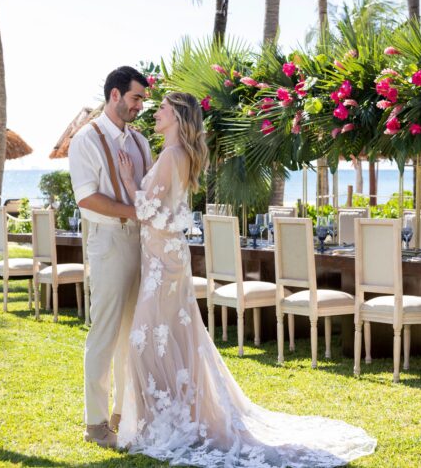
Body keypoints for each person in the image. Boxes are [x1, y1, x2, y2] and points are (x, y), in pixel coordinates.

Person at [115, 92, 376, 467]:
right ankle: (171, 416)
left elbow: (147, 211)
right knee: (168, 335)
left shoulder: (173, 156)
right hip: (166, 256)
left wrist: (127, 180)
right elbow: (161, 206)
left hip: (163, 260)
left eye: (162, 109)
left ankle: (164, 421)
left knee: (149, 338)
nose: (155, 113)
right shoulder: (177, 154)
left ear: (177, 116)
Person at [68, 66, 153, 447]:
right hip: (107, 241)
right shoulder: (85, 139)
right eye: (136, 98)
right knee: (104, 332)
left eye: (142, 100)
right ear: (115, 95)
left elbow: (149, 191)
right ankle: (96, 423)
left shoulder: (140, 142)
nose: (140, 106)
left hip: (141, 244)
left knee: (132, 334)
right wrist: (137, 213)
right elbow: (86, 197)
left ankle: (123, 413)